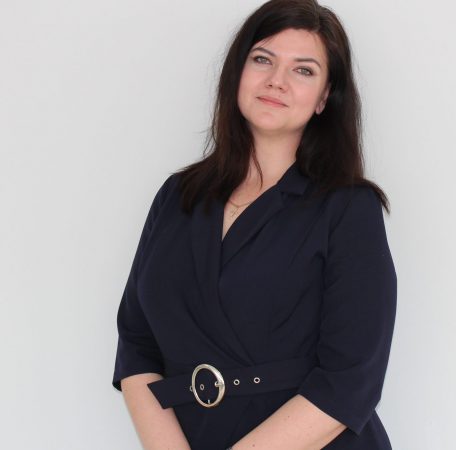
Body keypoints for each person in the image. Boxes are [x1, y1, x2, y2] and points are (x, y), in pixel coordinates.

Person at [111, 0, 397, 448]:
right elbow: (136, 343)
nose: (276, 80)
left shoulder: (349, 208)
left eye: (303, 70)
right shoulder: (177, 196)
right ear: (237, 72)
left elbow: (350, 381)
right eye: (262, 59)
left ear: (325, 98)